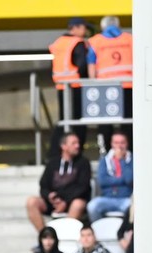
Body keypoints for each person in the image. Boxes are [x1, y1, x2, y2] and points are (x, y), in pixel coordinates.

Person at [26, 132, 92, 232]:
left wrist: (64, 202)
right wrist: (50, 196)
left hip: (72, 201)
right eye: (73, 143)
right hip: (54, 202)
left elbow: (83, 187)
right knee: (31, 202)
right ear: (64, 146)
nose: (77, 146)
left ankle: (66, 236)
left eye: (78, 143)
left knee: (78, 204)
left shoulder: (83, 163)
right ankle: (45, 237)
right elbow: (43, 185)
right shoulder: (53, 163)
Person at [88, 16, 134, 151]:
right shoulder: (130, 39)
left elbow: (91, 66)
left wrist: (93, 85)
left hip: (104, 88)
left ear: (103, 27)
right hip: (128, 86)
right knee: (129, 122)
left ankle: (106, 151)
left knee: (105, 123)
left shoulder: (95, 41)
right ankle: (130, 151)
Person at [48, 17, 90, 152]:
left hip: (62, 87)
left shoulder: (58, 43)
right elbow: (82, 65)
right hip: (75, 86)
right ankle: (77, 151)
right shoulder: (77, 43)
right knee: (78, 122)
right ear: (76, 27)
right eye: (84, 27)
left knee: (64, 121)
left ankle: (55, 152)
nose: (85, 30)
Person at [87, 132, 133, 223]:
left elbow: (129, 180)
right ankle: (98, 231)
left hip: (126, 198)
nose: (119, 146)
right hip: (107, 198)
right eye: (116, 143)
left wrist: (122, 161)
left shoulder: (132, 160)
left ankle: (126, 233)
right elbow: (102, 181)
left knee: (133, 208)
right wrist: (121, 180)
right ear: (111, 144)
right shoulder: (105, 160)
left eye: (122, 142)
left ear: (127, 144)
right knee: (92, 206)